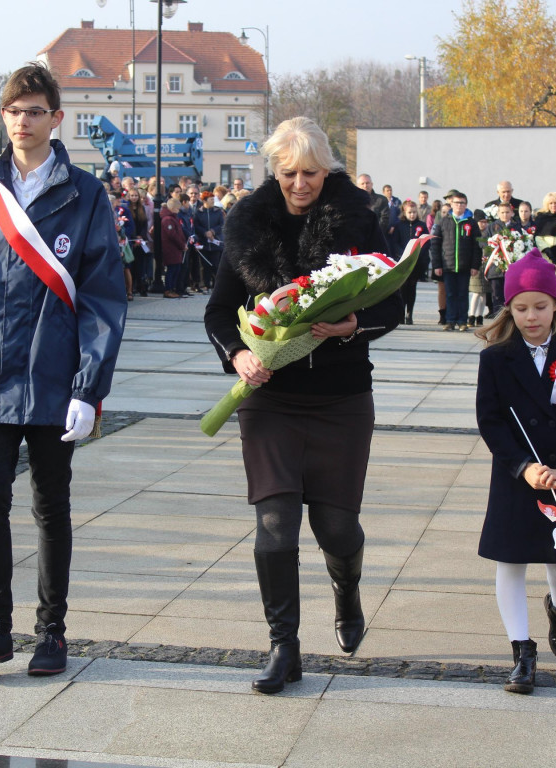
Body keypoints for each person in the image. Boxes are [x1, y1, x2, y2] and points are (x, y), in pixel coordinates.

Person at [0, 63, 127, 676]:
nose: (22, 120)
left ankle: (51, 634)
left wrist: (90, 388)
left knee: (50, 506)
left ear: (55, 119)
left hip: (55, 377)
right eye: (13, 110)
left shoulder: (85, 195)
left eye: (35, 110)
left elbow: (102, 297)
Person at [204, 116, 402, 695]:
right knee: (275, 525)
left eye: (310, 173)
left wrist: (353, 325)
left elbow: (395, 306)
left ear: (328, 170)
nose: (299, 184)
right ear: (274, 170)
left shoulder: (360, 220)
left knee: (336, 527)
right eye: (288, 173)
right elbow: (219, 312)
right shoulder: (247, 225)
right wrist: (238, 355)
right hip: (271, 400)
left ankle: (347, 592)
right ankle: (283, 646)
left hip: (341, 398)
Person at [473, 249, 556, 695]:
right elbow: (489, 421)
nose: (531, 317)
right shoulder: (495, 359)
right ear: (509, 308)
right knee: (510, 561)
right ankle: (521, 652)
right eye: (521, 307)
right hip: (516, 476)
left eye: (541, 306)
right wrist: (523, 467)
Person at [431, 189, 481, 331]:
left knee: (462, 294)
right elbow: (435, 244)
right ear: (451, 204)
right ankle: (450, 320)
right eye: (456, 203)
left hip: (465, 265)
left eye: (462, 203)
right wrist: (437, 264)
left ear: (466, 205)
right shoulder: (444, 221)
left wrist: (475, 265)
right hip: (448, 265)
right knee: (450, 293)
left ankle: (462, 321)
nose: (459, 205)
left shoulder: (471, 223)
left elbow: (477, 245)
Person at [394, 199, 430, 325]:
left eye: (414, 212)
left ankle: (410, 313)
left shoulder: (421, 225)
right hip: (403, 261)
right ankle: (401, 314)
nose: (412, 215)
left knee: (412, 288)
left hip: (416, 262)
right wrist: (403, 253)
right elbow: (395, 242)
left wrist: (417, 252)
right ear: (404, 212)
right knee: (402, 289)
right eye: (409, 212)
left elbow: (426, 242)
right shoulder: (399, 226)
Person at [193, 190, 225, 291]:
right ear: (205, 201)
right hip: (204, 243)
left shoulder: (218, 211)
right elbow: (196, 226)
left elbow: (222, 224)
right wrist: (205, 233)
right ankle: (206, 284)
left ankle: (216, 284)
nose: (213, 201)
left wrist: (212, 231)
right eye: (211, 199)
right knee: (205, 265)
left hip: (216, 243)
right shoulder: (198, 212)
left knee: (216, 265)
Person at [158, 197, 186, 298]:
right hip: (170, 249)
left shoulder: (172, 218)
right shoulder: (168, 219)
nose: (179, 211)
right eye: (178, 208)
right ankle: (168, 289)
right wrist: (182, 245)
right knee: (171, 270)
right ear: (173, 208)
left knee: (176, 269)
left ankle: (172, 288)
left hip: (175, 249)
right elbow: (172, 235)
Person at [355, 174, 390, 247]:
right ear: (357, 186)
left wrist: (373, 234)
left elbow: (384, 219)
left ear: (372, 184)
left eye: (367, 183)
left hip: (377, 239)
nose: (365, 185)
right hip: (358, 239)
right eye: (362, 183)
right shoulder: (353, 200)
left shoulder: (382, 200)